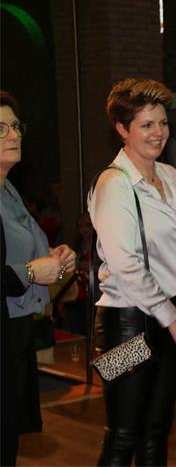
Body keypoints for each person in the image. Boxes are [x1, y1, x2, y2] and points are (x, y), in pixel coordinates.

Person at [89, 79, 176, 466]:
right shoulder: (113, 183)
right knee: (122, 434)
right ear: (123, 129)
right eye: (147, 124)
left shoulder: (171, 177)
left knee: (157, 431)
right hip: (124, 323)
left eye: (163, 123)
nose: (158, 133)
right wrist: (172, 318)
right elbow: (125, 264)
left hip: (174, 317)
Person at [0, 91, 76, 465]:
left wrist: (57, 257)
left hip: (14, 332)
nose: (14, 134)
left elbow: (23, 251)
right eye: (1, 129)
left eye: (15, 126)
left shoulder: (8, 189)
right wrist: (31, 272)